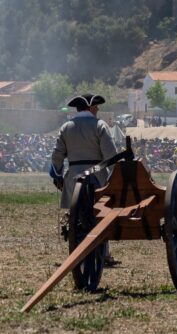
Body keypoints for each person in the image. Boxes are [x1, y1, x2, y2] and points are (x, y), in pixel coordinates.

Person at [50, 93, 117, 262]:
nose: (98, 109)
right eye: (96, 107)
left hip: (73, 178)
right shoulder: (99, 125)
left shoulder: (66, 127)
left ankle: (77, 251)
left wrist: (58, 175)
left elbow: (57, 156)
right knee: (100, 215)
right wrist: (114, 176)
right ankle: (104, 253)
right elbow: (111, 155)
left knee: (77, 215)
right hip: (97, 177)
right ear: (91, 107)